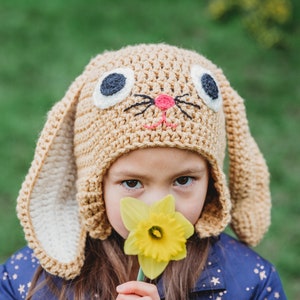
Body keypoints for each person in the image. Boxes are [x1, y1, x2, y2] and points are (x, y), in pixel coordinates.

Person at [0, 44, 286, 299]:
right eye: (133, 182)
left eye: (183, 180)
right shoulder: (28, 280)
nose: (158, 207)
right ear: (95, 184)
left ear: (212, 181)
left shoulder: (250, 282)